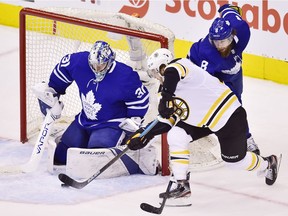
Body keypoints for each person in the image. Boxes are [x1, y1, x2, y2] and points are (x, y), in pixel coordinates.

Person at [127, 48, 281, 206]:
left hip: (229, 115)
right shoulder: (168, 91)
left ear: (163, 67)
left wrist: (166, 96)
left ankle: (268, 163)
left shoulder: (181, 66)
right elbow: (168, 119)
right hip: (204, 120)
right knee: (176, 135)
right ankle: (181, 186)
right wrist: (145, 134)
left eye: (156, 72)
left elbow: (173, 73)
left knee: (234, 162)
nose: (156, 77)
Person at [33, 40, 158, 177]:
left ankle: (132, 154)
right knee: (61, 156)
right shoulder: (79, 62)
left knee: (95, 158)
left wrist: (135, 118)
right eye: (94, 65)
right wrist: (53, 90)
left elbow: (140, 99)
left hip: (111, 124)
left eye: (101, 65)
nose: (97, 69)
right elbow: (63, 69)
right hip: (84, 120)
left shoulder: (125, 76)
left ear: (110, 61)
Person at [187, 4, 260, 154]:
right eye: (216, 42)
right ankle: (246, 137)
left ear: (232, 35)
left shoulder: (241, 28)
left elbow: (227, 9)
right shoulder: (209, 54)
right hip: (210, 73)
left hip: (233, 71)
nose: (219, 45)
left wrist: (226, 8)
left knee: (238, 98)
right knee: (232, 105)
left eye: (223, 42)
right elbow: (202, 82)